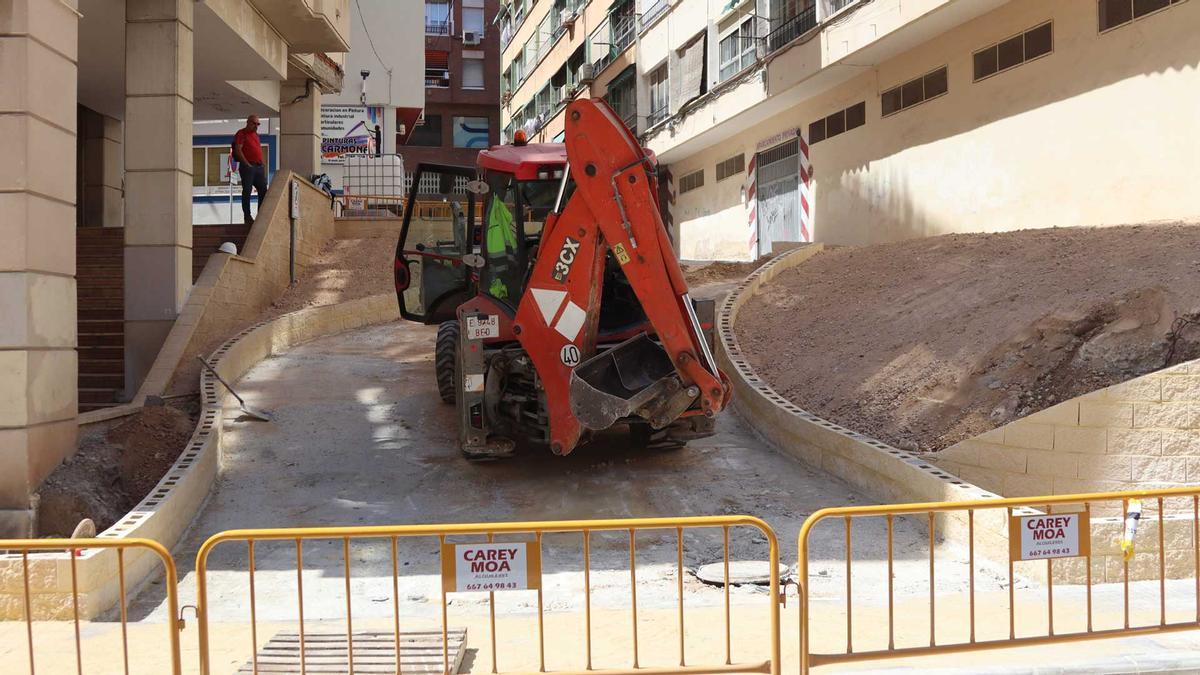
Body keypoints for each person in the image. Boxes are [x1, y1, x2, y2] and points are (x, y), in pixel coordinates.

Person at [233, 115, 268, 225]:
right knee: (247, 191)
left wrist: (262, 163)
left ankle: (261, 215)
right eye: (254, 123)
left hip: (258, 167)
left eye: (258, 124)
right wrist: (246, 164)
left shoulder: (256, 135)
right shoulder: (241, 133)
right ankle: (247, 216)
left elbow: (257, 150)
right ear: (248, 122)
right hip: (248, 167)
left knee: (263, 190)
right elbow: (238, 150)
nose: (256, 126)